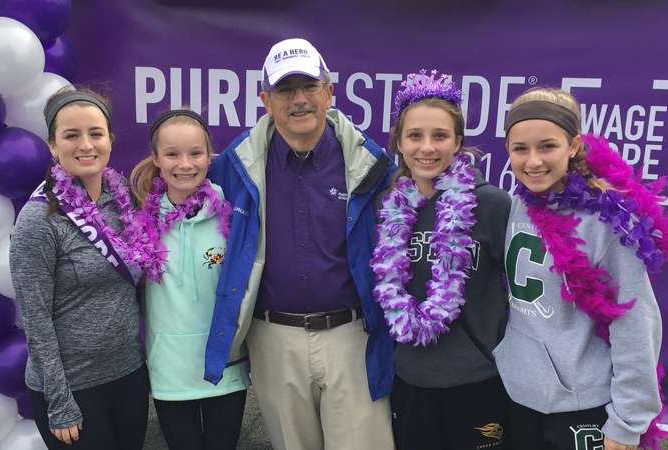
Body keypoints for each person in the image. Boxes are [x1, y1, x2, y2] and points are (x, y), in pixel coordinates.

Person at [204, 38, 396, 450]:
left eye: (309, 86)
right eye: (285, 90)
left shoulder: (372, 165)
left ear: (329, 92)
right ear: (265, 100)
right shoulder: (235, 166)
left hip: (352, 334)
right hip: (274, 338)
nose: (299, 100)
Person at [496, 87, 668, 450]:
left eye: (547, 146)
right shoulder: (513, 206)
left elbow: (635, 322)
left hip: (581, 405)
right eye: (520, 148)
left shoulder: (606, 222)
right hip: (518, 397)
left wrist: (628, 422)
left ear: (573, 145)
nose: (533, 161)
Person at [370, 69, 510, 450]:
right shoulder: (390, 208)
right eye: (415, 135)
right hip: (410, 381)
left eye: (440, 136)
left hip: (478, 381)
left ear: (458, 142)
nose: (427, 148)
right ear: (399, 142)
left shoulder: (493, 205)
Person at [9, 87, 149, 449]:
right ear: (53, 146)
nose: (85, 144)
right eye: (71, 135)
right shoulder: (39, 219)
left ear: (110, 141)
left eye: (95, 133)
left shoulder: (125, 203)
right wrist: (60, 403)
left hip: (128, 376)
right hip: (73, 390)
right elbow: (35, 319)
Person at [129, 109, 249, 450]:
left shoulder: (233, 215)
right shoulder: (139, 221)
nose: (185, 164)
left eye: (195, 153)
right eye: (172, 154)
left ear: (209, 156)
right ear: (156, 158)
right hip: (169, 369)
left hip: (225, 368)